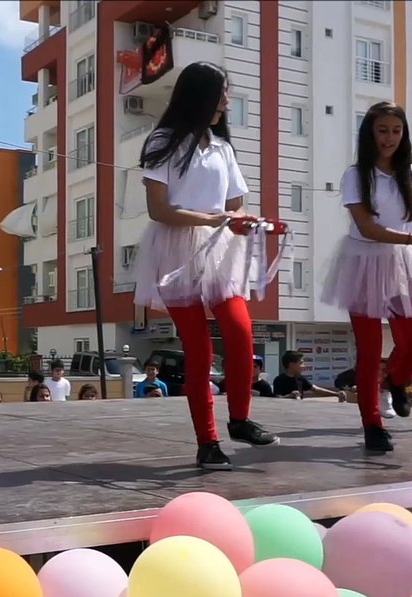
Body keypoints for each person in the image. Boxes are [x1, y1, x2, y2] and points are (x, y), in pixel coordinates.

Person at [132, 61, 278, 471]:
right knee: (197, 351)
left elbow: (234, 205)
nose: (226, 102)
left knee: (241, 332)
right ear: (200, 96)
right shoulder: (162, 141)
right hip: (176, 253)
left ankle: (241, 418)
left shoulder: (223, 147)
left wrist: (245, 220)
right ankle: (207, 442)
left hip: (219, 249)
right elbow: (158, 209)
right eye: (221, 94)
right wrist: (211, 219)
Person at [320, 102, 412, 452]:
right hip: (364, 262)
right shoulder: (356, 175)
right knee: (368, 351)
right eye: (383, 130)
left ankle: (397, 380)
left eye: (396, 131)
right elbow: (367, 228)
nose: (389, 138)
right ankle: (372, 424)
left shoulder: (410, 173)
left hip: (405, 261)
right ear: (370, 132)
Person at [272, 351, 347, 401]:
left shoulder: (300, 378)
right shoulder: (279, 380)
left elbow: (315, 389)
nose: (304, 366)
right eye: (301, 363)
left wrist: (336, 394)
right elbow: (277, 399)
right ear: (292, 365)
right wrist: (290, 396)